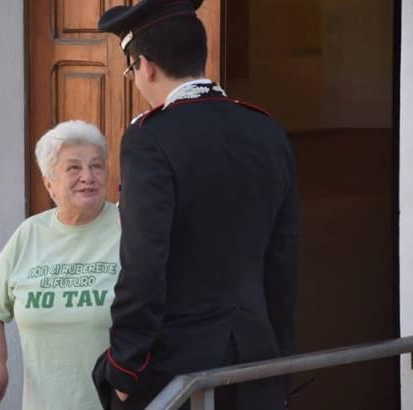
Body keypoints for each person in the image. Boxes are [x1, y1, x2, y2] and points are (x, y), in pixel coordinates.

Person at [92, 1, 299, 409]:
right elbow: (283, 262)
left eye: (131, 71)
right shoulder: (267, 130)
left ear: (145, 65)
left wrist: (125, 367)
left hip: (180, 369)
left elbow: (144, 264)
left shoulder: (150, 137)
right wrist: (280, 358)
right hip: (257, 360)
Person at [0, 120, 121, 410]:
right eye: (74, 168)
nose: (88, 177)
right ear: (48, 181)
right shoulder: (31, 233)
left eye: (97, 166)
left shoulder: (130, 229)